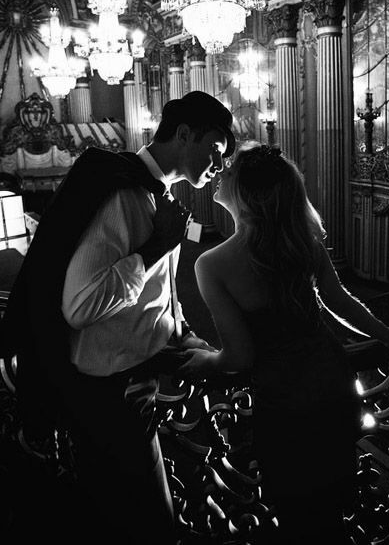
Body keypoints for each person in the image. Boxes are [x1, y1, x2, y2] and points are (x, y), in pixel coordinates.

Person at [0, 90, 235, 544]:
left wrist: (186, 336)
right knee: (146, 525)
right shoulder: (125, 194)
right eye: (215, 149)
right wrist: (152, 249)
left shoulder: (156, 195)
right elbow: (80, 304)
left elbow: (160, 294)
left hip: (137, 382)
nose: (219, 164)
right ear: (184, 135)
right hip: (111, 396)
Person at [177, 143, 389, 545]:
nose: (221, 171)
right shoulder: (303, 242)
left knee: (296, 511)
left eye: (231, 169)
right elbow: (340, 301)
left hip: (285, 400)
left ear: (246, 193)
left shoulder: (212, 264)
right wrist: (387, 333)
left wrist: (204, 360)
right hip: (331, 381)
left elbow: (239, 356)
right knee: (332, 501)